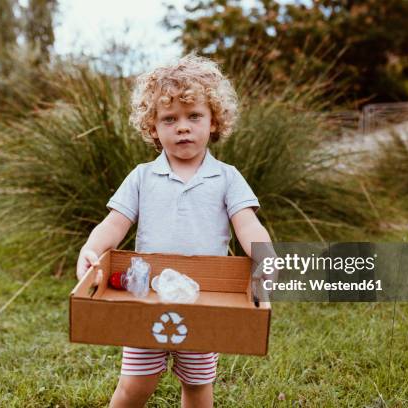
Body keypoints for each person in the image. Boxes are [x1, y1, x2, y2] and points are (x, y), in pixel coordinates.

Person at [75, 54, 272, 408]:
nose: (183, 127)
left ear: (213, 121)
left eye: (194, 116)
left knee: (198, 387)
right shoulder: (141, 176)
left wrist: (263, 257)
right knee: (136, 384)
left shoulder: (227, 177)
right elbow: (114, 224)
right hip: (145, 297)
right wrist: (90, 251)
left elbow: (248, 223)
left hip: (204, 301)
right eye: (169, 119)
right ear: (153, 128)